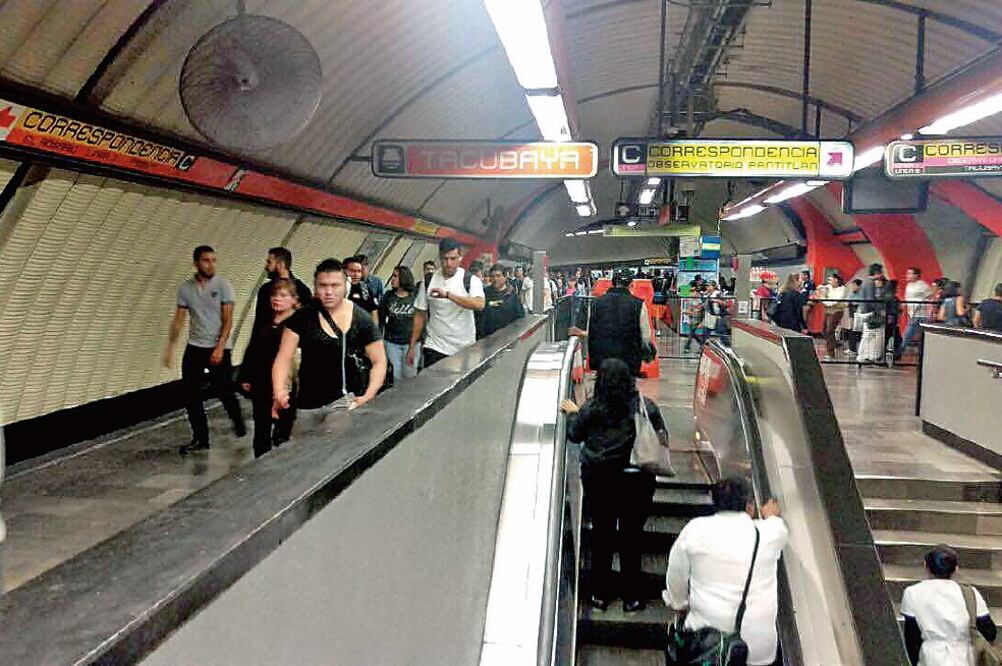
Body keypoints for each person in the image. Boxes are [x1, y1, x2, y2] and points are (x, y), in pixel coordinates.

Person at [561, 358, 669, 612]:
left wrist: (574, 413)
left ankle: (600, 594)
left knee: (602, 535)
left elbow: (575, 434)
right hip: (637, 481)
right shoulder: (645, 406)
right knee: (632, 537)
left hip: (601, 480)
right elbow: (662, 436)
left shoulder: (592, 408)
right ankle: (632, 597)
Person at [664, 478, 789, 666]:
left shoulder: (695, 530)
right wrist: (770, 515)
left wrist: (678, 603)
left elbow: (675, 573)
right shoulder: (770, 533)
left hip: (708, 646)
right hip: (757, 649)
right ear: (749, 506)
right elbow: (776, 522)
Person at [272, 259, 387, 428]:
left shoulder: (360, 318)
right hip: (306, 403)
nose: (329, 292)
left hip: (341, 402)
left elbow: (379, 360)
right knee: (305, 451)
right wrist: (279, 390)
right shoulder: (302, 317)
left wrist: (369, 395)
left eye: (335, 285)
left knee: (331, 447)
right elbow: (283, 357)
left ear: (345, 287)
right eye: (323, 286)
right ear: (315, 287)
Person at [163, 245, 245, 454]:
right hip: (195, 346)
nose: (211, 265)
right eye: (206, 260)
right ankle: (201, 438)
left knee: (224, 390)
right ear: (196, 263)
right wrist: (170, 347)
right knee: (190, 393)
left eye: (213, 260)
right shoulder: (186, 288)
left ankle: (238, 422)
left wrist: (219, 347)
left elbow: (228, 320)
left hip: (218, 346)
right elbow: (179, 320)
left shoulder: (223, 286)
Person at [901, 545, 997, 665]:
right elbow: (989, 631)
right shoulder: (970, 593)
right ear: (956, 569)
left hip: (931, 657)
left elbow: (912, 636)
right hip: (966, 657)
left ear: (926, 566)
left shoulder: (912, 593)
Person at [239, 278, 299, 458]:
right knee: (261, 427)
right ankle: (261, 463)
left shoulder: (297, 323)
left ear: (293, 300)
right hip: (261, 380)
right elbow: (253, 347)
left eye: (283, 295)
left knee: (282, 427)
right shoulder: (265, 320)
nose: (277, 299)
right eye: (274, 295)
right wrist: (245, 375)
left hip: (284, 384)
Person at [407, 239, 485, 370]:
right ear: (440, 258)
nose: (449, 263)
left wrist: (449, 295)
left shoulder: (470, 280)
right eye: (445, 259)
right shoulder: (429, 280)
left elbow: (479, 304)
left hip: (463, 347)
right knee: (433, 386)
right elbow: (420, 313)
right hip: (434, 345)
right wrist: (412, 345)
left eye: (453, 259)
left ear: (460, 258)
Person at [570, 269, 653, 376]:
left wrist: (593, 361)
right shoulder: (639, 304)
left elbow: (592, 332)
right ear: (631, 284)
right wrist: (645, 354)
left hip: (603, 361)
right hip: (629, 361)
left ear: (612, 283)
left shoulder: (596, 303)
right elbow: (645, 336)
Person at [379, 266, 419, 382]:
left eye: (395, 276)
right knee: (396, 375)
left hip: (411, 343)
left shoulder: (414, 296)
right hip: (392, 342)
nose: (392, 279)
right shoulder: (388, 296)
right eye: (392, 276)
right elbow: (381, 318)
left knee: (410, 375)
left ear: (403, 278)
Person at [253, 247, 312, 326]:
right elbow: (259, 322)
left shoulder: (301, 290)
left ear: (281, 264)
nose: (267, 266)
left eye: (269, 262)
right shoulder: (265, 289)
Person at [897, 267, 934, 360]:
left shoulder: (923, 285)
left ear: (916, 275)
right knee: (913, 334)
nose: (908, 275)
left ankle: (900, 351)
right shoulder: (908, 286)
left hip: (921, 314)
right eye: (907, 273)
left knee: (909, 333)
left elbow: (930, 296)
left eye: (910, 273)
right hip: (911, 313)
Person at [481, 264, 524, 337]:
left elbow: (520, 318)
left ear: (504, 277)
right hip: (488, 338)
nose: (495, 279)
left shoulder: (512, 295)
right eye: (493, 276)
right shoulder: (485, 293)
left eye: (498, 276)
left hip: (508, 337)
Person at [819, 273, 847, 360]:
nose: (829, 282)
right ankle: (834, 344)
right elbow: (820, 291)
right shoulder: (828, 287)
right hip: (828, 310)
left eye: (831, 280)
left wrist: (825, 300)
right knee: (824, 330)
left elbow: (834, 302)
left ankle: (831, 352)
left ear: (836, 280)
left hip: (836, 311)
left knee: (830, 330)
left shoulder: (842, 290)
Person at [345, 256, 380, 325]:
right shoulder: (339, 288)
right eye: (352, 271)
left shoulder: (365, 289)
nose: (356, 275)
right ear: (345, 271)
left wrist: (374, 331)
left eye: (359, 271)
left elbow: (373, 310)